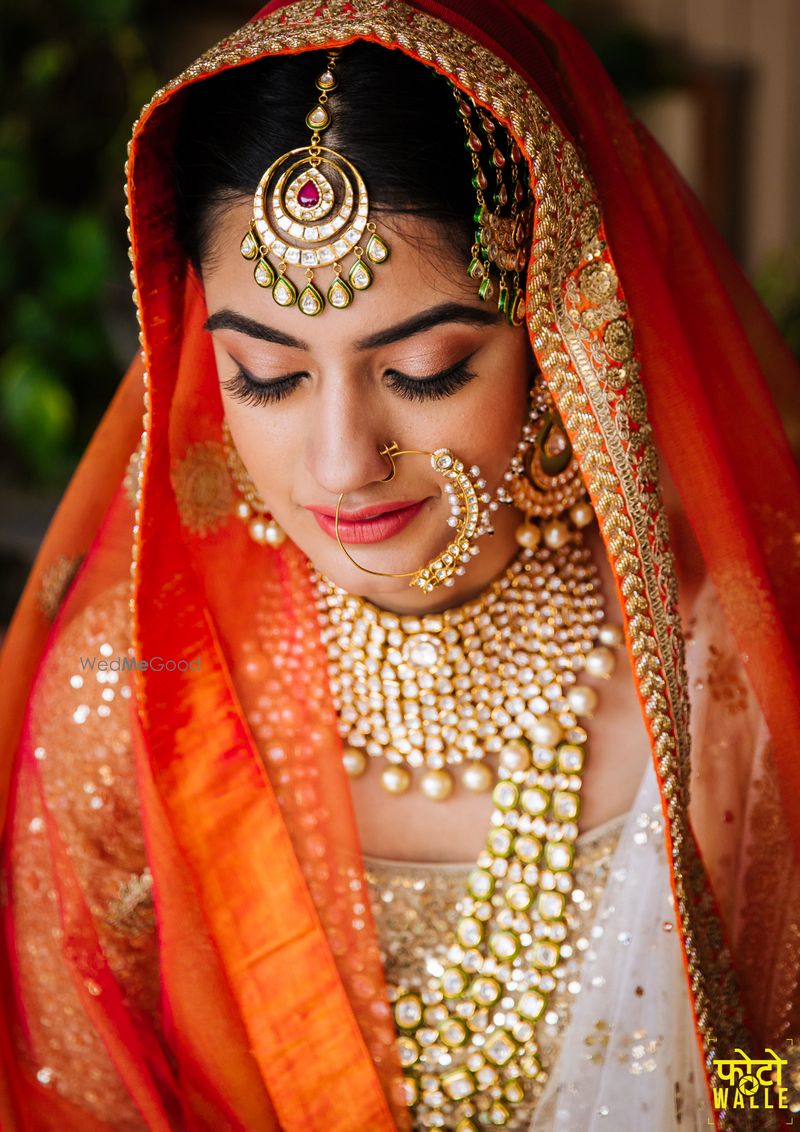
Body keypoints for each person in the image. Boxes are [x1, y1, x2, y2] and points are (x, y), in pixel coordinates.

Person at [1, 1, 799, 1129]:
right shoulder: (134, 698)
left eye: (425, 369)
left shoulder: (727, 687)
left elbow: (775, 1070)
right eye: (266, 378)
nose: (341, 464)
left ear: (560, 335)